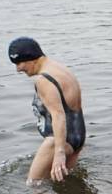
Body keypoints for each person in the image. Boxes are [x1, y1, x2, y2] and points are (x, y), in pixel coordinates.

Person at [9, 37, 86, 184]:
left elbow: (58, 116)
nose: (18, 69)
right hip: (77, 135)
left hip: (58, 141)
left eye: (19, 63)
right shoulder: (60, 69)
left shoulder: (44, 80)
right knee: (64, 183)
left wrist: (59, 152)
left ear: (31, 58)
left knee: (34, 187)